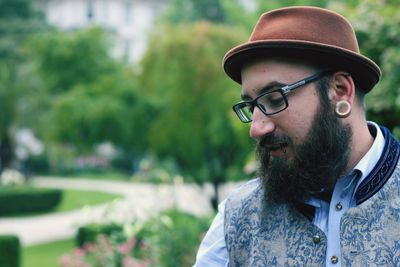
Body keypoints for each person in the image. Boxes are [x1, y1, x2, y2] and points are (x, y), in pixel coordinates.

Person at [193, 6, 400, 267]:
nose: (256, 129)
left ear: (339, 90)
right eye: (251, 105)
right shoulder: (237, 216)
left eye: (275, 98)